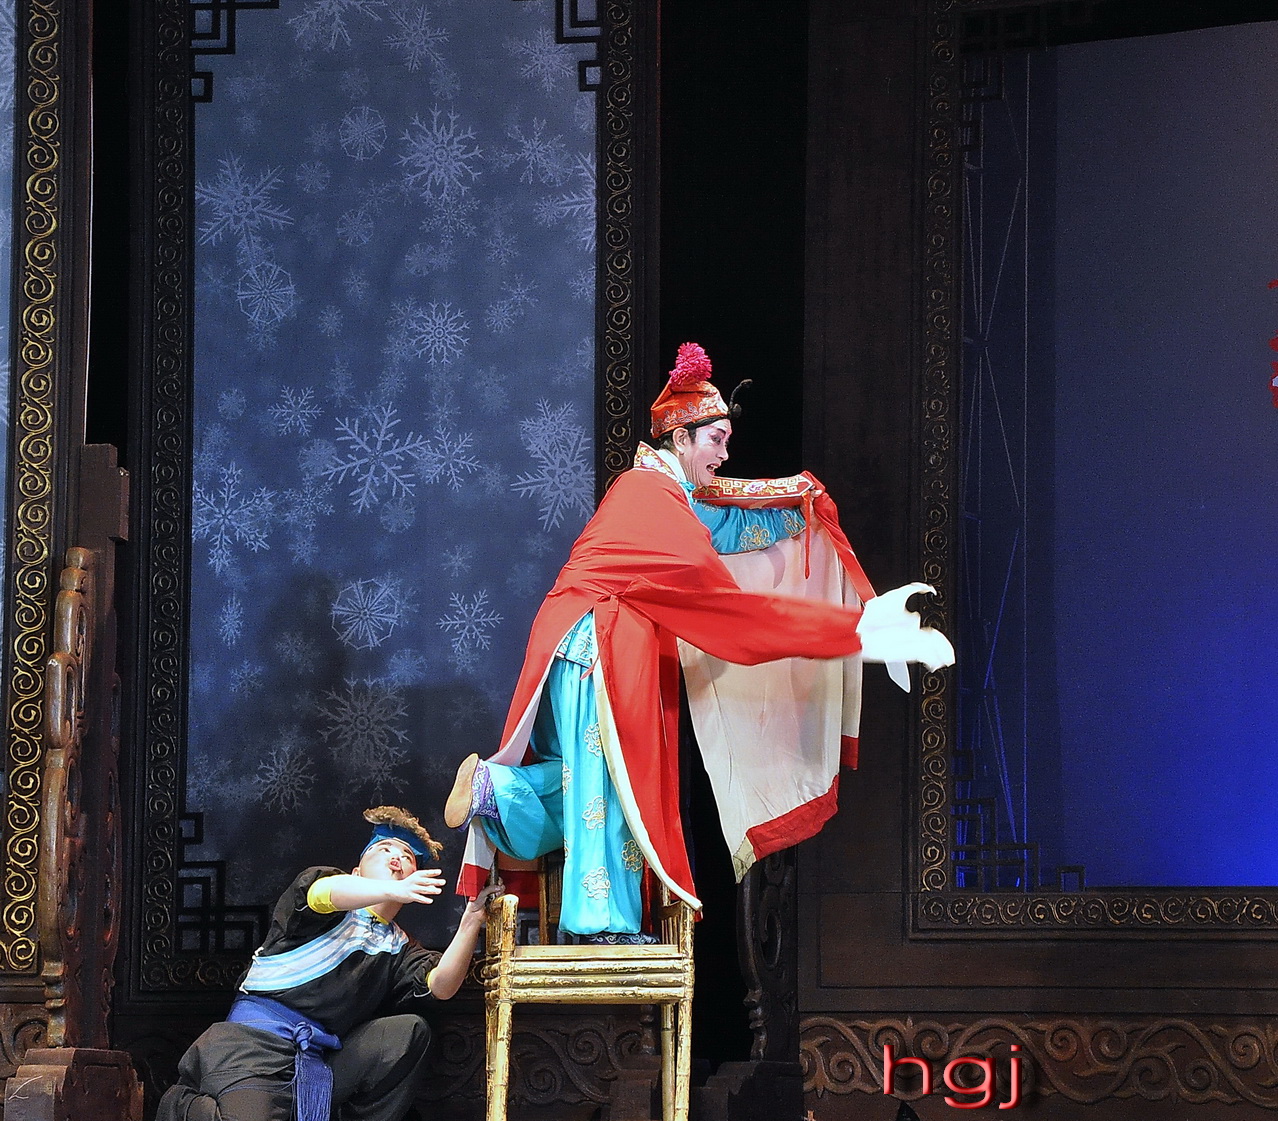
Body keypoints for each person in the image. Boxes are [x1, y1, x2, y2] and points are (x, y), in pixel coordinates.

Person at [446, 343, 953, 942]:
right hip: (598, 646)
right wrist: (857, 631)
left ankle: (498, 791)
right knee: (610, 785)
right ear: (680, 439)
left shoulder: (669, 494)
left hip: (587, 643)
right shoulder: (647, 493)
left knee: (587, 778)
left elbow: (734, 524)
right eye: (715, 440)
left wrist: (805, 510)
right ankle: (602, 925)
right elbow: (728, 611)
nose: (724, 455)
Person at [157, 806, 499, 1121]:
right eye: (384, 850)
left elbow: (441, 985)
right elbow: (325, 893)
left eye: (407, 856)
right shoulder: (327, 903)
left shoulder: (398, 946)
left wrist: (470, 921)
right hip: (253, 1045)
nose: (397, 858)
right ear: (356, 871)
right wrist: (389, 892)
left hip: (316, 1061)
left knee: (408, 1033)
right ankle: (180, 1103)